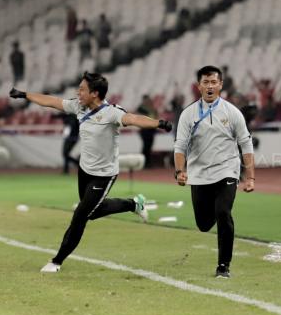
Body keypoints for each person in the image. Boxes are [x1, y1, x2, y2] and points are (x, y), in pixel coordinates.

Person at [9, 71, 173, 273]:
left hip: (104, 174)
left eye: (82, 89)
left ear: (95, 93)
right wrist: (25, 95)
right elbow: (52, 101)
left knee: (80, 215)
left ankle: (57, 261)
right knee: (93, 211)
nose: (78, 92)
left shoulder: (112, 112)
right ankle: (134, 203)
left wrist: (158, 123)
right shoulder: (78, 106)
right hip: (85, 170)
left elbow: (132, 118)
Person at [173, 66, 255, 279]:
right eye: (206, 82)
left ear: (220, 85)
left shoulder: (232, 112)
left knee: (223, 213)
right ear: (198, 86)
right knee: (203, 224)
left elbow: (246, 145)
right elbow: (180, 146)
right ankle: (214, 224)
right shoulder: (188, 114)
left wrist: (250, 177)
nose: (210, 86)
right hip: (199, 174)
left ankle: (223, 266)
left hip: (227, 170)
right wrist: (180, 171)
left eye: (214, 82)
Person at [136, 95, 157, 168]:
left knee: (149, 147)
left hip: (151, 129)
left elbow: (155, 117)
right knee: (146, 147)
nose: (148, 101)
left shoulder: (151, 108)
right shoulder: (141, 108)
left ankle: (147, 163)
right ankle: (144, 163)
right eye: (146, 100)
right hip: (145, 129)